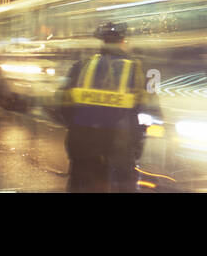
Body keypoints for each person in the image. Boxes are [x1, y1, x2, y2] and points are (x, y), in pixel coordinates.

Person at [58, 23, 155, 193]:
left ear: (102, 43)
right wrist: (138, 139)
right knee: (123, 185)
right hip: (119, 145)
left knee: (81, 185)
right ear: (123, 41)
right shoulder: (134, 69)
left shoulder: (82, 66)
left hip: (82, 143)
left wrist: (74, 128)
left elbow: (61, 103)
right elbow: (146, 110)